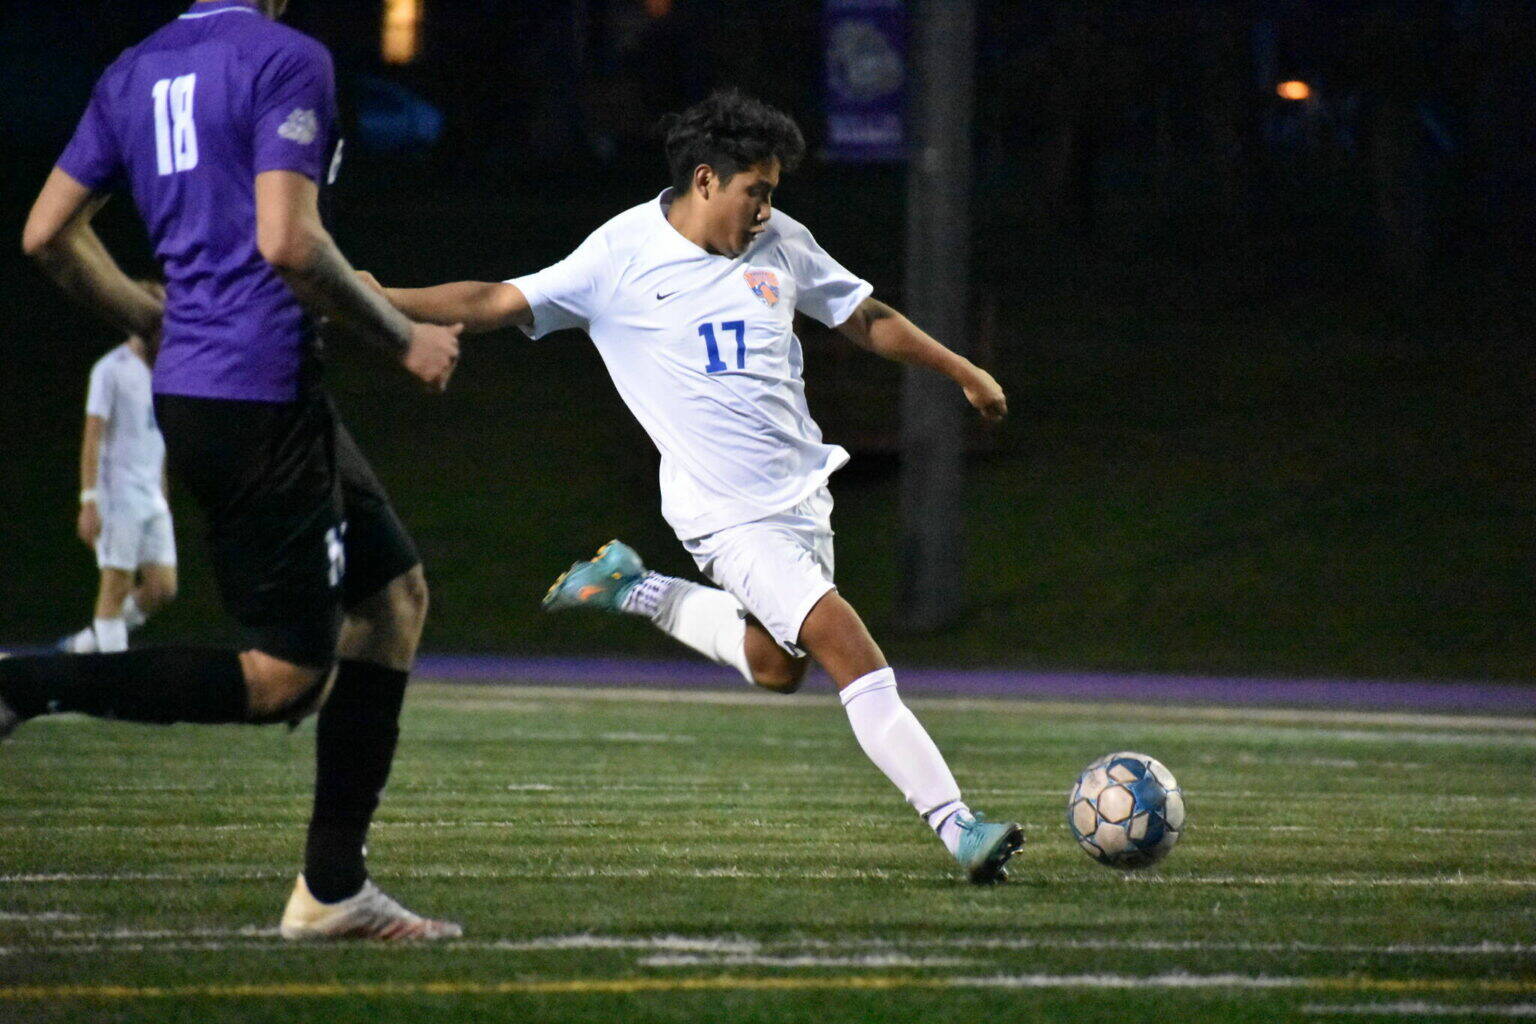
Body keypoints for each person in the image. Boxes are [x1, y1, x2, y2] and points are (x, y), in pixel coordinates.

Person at [360, 90, 1024, 883]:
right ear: (706, 181)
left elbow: (864, 315)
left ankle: (634, 589)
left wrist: (964, 372)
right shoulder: (619, 257)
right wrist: (373, 296)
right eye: (757, 191)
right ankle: (958, 826)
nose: (766, 208)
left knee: (779, 668)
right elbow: (494, 301)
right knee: (850, 649)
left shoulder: (780, 241)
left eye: (773, 193)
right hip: (726, 516)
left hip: (802, 498)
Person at [4, 0, 463, 939]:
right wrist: (403, 336)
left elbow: (47, 234)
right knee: (281, 680)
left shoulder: (133, 68)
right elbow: (289, 241)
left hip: (223, 392)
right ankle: (26, 684)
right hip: (258, 397)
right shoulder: (286, 57)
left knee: (394, 599)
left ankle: (332, 888)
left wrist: (144, 316)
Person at [60, 283, 178, 655]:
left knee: (163, 587)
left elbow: (157, 440)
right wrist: (89, 501)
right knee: (116, 587)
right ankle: (111, 678)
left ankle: (91, 642)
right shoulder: (110, 370)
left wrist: (163, 494)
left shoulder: (167, 373)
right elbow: (93, 437)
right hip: (118, 495)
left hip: (150, 496)